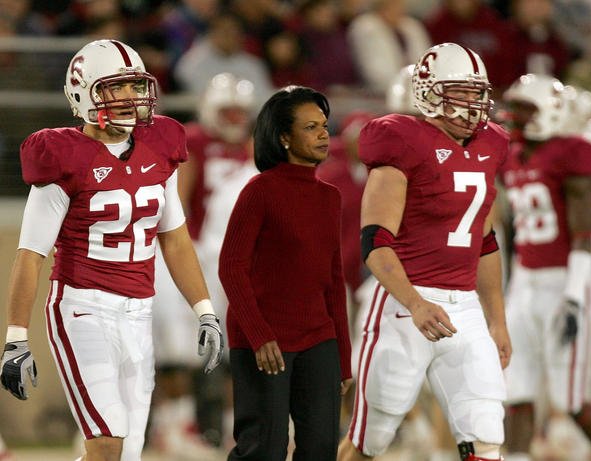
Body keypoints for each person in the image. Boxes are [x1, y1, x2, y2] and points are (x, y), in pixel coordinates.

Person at [0, 39, 223, 461]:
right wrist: (15, 336)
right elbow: (30, 254)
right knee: (107, 443)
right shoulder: (62, 156)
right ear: (83, 94)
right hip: (82, 307)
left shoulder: (161, 145)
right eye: (115, 88)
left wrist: (205, 310)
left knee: (126, 453)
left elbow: (174, 237)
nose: (130, 99)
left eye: (135, 87)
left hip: (139, 311)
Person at [338, 42, 512, 461]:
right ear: (429, 91)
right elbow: (375, 242)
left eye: (477, 92)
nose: (473, 103)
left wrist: (497, 319)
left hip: (464, 306)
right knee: (371, 439)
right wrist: (415, 304)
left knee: (486, 430)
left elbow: (485, 243)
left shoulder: (490, 144)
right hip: (403, 306)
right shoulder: (402, 139)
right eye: (461, 91)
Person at [218, 85, 353, 460]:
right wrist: (260, 337)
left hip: (318, 339)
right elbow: (231, 267)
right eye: (311, 127)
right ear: (284, 138)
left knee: (321, 449)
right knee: (263, 449)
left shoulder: (330, 196)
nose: (324, 134)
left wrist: (342, 355)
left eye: (325, 125)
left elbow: (332, 281)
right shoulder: (259, 191)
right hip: (265, 342)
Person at [150, 72, 257, 454]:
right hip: (191, 252)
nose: (234, 119)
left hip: (229, 259)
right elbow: (178, 203)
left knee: (233, 347)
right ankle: (174, 427)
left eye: (239, 112)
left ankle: (233, 429)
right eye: (227, 111)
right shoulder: (194, 141)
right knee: (177, 347)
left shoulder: (249, 148)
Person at [499, 73, 591, 461]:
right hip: (526, 281)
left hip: (564, 282)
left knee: (569, 399)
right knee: (517, 390)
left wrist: (574, 296)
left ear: (552, 111)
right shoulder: (514, 154)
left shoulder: (572, 151)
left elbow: (582, 234)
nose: (515, 117)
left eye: (525, 109)